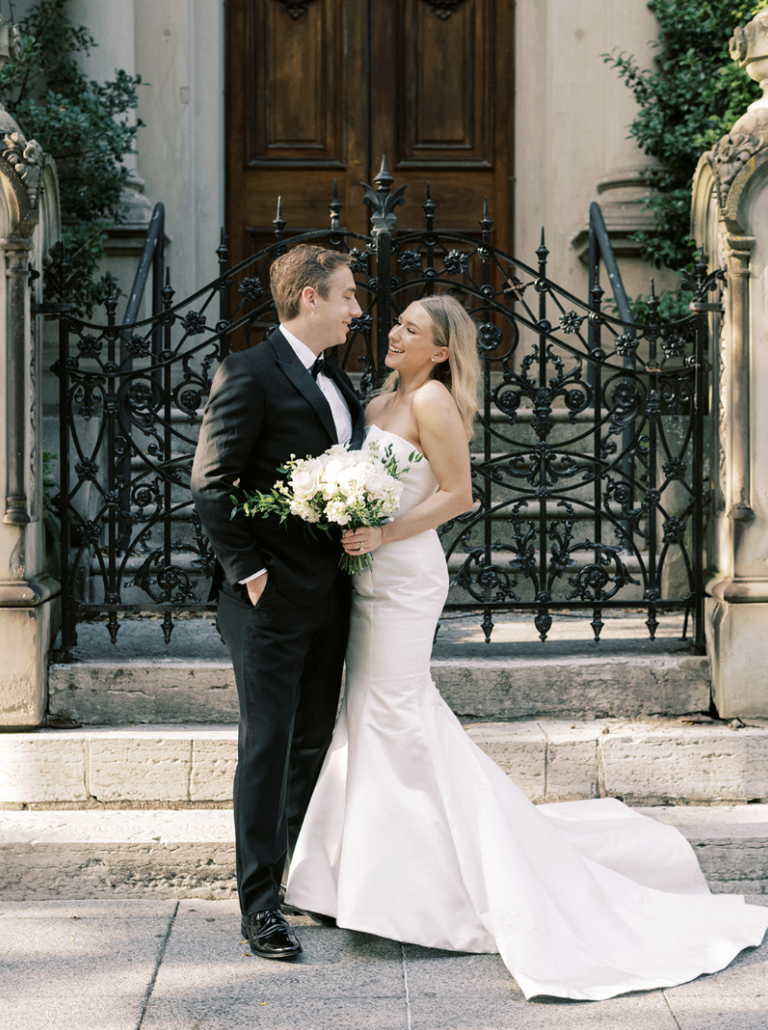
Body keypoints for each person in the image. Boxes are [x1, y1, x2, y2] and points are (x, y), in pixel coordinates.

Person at [285, 293, 768, 1001]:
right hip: (367, 574)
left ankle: (418, 891)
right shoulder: (385, 393)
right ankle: (353, 877)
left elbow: (458, 496)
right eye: (396, 324)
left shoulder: (435, 405)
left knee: (393, 714)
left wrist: (383, 533)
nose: (393, 332)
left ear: (443, 350)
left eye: (411, 329)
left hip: (405, 577)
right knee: (369, 715)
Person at [190, 245, 365, 961]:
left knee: (311, 741)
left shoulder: (339, 381)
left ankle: (290, 878)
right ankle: (258, 907)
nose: (358, 310)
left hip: (331, 596)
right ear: (309, 300)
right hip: (267, 599)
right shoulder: (249, 372)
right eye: (348, 296)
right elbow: (212, 481)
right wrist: (249, 571)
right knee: (265, 747)